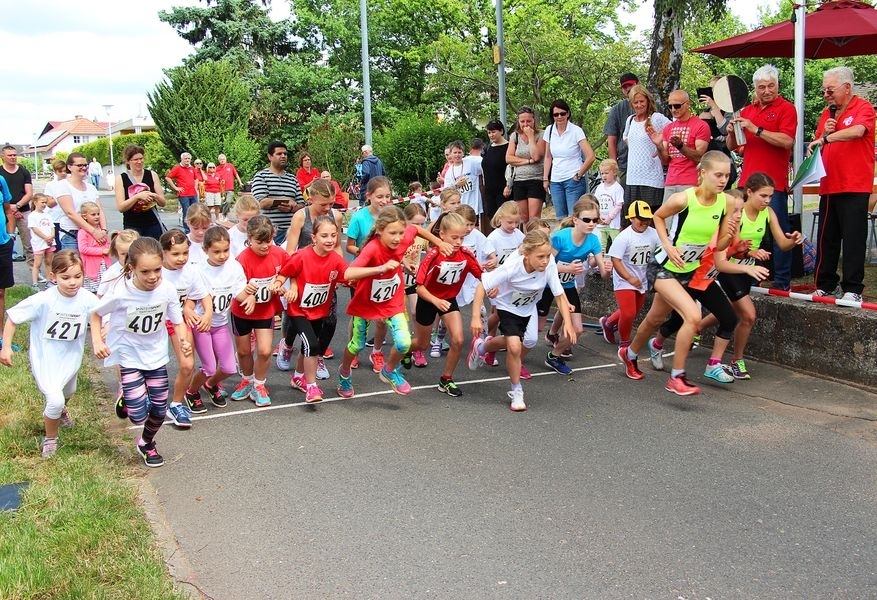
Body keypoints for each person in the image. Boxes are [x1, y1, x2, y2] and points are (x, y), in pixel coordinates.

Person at [617, 151, 740, 396]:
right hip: (664, 267)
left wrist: (731, 233)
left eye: (726, 175)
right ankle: (677, 377)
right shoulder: (684, 199)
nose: (723, 180)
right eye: (718, 174)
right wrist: (668, 245)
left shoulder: (726, 202)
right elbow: (659, 217)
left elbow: (722, 245)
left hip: (690, 269)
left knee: (654, 319)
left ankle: (629, 354)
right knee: (692, 317)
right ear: (703, 173)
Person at [91, 237, 191, 468]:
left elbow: (177, 322)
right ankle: (128, 399)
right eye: (145, 271)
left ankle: (146, 443)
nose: (153, 276)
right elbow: (95, 314)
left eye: (157, 269)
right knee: (137, 415)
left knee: (158, 409)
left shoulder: (166, 289)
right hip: (129, 355)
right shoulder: (121, 292)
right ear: (131, 268)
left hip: (155, 356)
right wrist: (97, 340)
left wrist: (184, 341)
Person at [336, 206, 451, 398]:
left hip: (392, 300)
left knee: (404, 343)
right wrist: (379, 269)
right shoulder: (372, 248)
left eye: (400, 232)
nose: (398, 238)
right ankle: (344, 373)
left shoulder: (404, 236)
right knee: (357, 345)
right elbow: (348, 273)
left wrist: (439, 242)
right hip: (366, 302)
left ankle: (389, 370)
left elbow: (417, 230)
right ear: (380, 230)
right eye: (392, 233)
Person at [698, 173, 803, 379]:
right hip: (731, 269)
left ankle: (697, 327)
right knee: (748, 315)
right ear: (749, 192)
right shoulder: (738, 213)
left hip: (748, 271)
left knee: (731, 310)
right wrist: (750, 253)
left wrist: (794, 240)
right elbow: (734, 246)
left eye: (770, 197)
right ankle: (736, 361)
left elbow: (782, 243)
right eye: (763, 196)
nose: (767, 201)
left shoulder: (769, 213)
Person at [0, 251, 98, 458]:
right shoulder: (43, 300)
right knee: (54, 399)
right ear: (53, 276)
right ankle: (51, 437)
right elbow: (13, 318)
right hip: (46, 359)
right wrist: (6, 346)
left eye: (77, 276)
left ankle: (60, 412)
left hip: (71, 357)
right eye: (66, 278)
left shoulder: (88, 299)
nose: (73, 283)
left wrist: (103, 332)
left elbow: (101, 316)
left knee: (69, 390)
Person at [468, 229, 576, 411]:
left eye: (548, 255)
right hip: (508, 307)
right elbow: (481, 286)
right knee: (515, 346)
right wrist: (475, 318)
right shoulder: (513, 266)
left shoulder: (549, 266)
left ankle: (481, 347)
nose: (545, 260)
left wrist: (569, 324)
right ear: (526, 254)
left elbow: (559, 295)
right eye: (540, 256)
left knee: (529, 341)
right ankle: (516, 391)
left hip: (529, 307)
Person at [806, 66, 875, 303]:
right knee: (827, 238)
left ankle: (853, 287)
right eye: (824, 90)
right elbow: (817, 143)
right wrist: (820, 139)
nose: (826, 95)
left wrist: (828, 137)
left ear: (846, 87)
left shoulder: (863, 107)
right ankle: (825, 284)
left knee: (854, 237)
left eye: (830, 90)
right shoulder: (827, 114)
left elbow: (858, 131)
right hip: (829, 184)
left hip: (854, 185)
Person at [727, 65, 797, 291]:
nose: (766, 91)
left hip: (773, 182)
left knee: (778, 232)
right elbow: (734, 146)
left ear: (777, 85)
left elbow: (787, 141)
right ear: (755, 89)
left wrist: (756, 129)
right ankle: (747, 274)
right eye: (761, 87)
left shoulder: (787, 108)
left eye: (771, 86)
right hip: (746, 181)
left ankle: (782, 281)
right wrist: (730, 132)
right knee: (741, 230)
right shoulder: (746, 110)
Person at [405, 211, 483, 397]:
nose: (458, 242)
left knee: (458, 339)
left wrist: (492, 282)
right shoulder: (433, 256)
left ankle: (446, 379)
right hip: (428, 299)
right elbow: (419, 288)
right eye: (454, 237)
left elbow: (482, 276)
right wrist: (435, 300)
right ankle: (405, 350)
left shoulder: (465, 255)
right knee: (422, 344)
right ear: (442, 235)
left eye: (462, 238)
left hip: (448, 299)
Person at [272, 215, 348, 402]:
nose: (330, 240)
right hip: (298, 311)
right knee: (312, 345)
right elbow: (284, 273)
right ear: (314, 237)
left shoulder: (336, 260)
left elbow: (347, 276)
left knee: (309, 345)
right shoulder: (301, 256)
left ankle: (298, 376)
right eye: (324, 236)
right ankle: (311, 387)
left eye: (333, 235)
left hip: (319, 311)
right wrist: (278, 283)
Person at [281, 178, 344, 377]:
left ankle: (317, 357)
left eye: (331, 203)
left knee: (330, 320)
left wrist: (340, 273)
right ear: (311, 199)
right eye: (323, 204)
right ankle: (288, 345)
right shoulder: (301, 216)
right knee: (296, 320)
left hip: (326, 275)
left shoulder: (336, 216)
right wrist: (293, 285)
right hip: (302, 273)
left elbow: (337, 246)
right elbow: (290, 252)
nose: (327, 208)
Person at [542, 196, 610, 374]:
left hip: (568, 286)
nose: (591, 224)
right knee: (534, 330)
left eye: (595, 220)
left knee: (578, 329)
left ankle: (554, 356)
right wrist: (568, 268)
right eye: (587, 220)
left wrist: (608, 269)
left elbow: (602, 273)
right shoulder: (561, 237)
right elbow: (545, 265)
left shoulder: (594, 240)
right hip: (548, 285)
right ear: (575, 220)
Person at [229, 216, 288, 407]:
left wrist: (281, 284)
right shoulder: (242, 259)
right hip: (242, 312)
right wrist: (248, 295)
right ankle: (247, 379)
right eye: (259, 242)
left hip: (265, 311)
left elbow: (289, 270)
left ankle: (259, 384)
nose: (265, 246)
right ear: (249, 239)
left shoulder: (279, 253)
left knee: (264, 351)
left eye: (268, 241)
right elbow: (235, 287)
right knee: (244, 351)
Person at [186, 226, 246, 409]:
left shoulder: (234, 267)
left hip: (220, 324)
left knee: (229, 368)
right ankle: (191, 391)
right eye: (216, 252)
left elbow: (239, 293)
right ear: (205, 250)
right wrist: (192, 313)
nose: (222, 255)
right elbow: (189, 303)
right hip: (202, 325)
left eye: (226, 250)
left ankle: (210, 384)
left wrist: (249, 297)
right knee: (209, 367)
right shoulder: (197, 271)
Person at [159, 228, 212, 426]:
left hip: (177, 321)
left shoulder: (190, 271)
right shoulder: (156, 271)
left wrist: (207, 313)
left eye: (185, 253)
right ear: (163, 252)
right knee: (150, 364)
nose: (182, 258)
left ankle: (176, 404)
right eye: (175, 254)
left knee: (188, 364)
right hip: (155, 321)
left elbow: (204, 294)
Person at [345, 176, 397, 370]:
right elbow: (349, 246)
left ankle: (376, 352)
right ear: (369, 196)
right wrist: (364, 253)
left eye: (387, 196)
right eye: (379, 196)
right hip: (363, 273)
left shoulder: (393, 216)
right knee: (360, 316)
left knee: (382, 317)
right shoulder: (359, 217)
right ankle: (354, 349)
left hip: (385, 276)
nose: (384, 201)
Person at [600, 201, 661, 348]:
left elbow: (661, 250)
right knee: (629, 313)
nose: (645, 222)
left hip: (642, 278)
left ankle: (608, 323)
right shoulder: (624, 237)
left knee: (633, 310)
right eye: (641, 219)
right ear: (632, 218)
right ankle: (625, 343)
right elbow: (616, 259)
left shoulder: (654, 233)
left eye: (647, 219)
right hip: (624, 279)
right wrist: (628, 278)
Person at [650, 90, 710, 204]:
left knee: (687, 221)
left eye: (677, 106)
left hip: (691, 181)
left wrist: (680, 146)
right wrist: (658, 146)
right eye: (670, 106)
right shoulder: (668, 128)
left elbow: (700, 157)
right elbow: (666, 160)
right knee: (666, 220)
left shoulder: (701, 125)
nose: (673, 109)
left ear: (687, 104)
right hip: (671, 181)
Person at [622, 85, 671, 216]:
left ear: (648, 101)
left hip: (651, 178)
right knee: (633, 217)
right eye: (635, 102)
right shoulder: (630, 120)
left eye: (641, 101)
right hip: (633, 177)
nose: (639, 105)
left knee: (650, 217)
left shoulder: (657, 118)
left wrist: (661, 146)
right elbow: (625, 137)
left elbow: (672, 130)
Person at [543, 99, 596, 219]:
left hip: (573, 180)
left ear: (568, 113)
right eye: (556, 114)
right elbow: (548, 156)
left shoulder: (576, 130)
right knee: (561, 219)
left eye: (562, 113)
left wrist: (578, 175)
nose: (559, 117)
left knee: (575, 218)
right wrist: (545, 178)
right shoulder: (549, 130)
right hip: (556, 181)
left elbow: (591, 156)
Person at [250, 141, 304, 245]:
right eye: (279, 154)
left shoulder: (292, 178)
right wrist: (283, 201)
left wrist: (292, 208)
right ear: (270, 156)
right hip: (269, 231)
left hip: (292, 230)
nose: (283, 156)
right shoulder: (261, 176)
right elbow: (261, 203)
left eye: (285, 154)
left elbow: (302, 205)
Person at [57, 153, 106, 252]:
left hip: (93, 234)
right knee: (74, 266)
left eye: (85, 165)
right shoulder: (63, 186)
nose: (83, 168)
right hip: (72, 235)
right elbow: (70, 213)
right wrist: (93, 231)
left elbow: (99, 210)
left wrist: (103, 230)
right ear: (69, 167)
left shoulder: (91, 188)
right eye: (79, 165)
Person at [116, 144, 166, 239]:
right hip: (132, 225)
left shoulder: (152, 175)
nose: (139, 162)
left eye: (141, 158)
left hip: (152, 223)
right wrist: (137, 197)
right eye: (135, 160)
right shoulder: (121, 179)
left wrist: (153, 196)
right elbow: (121, 207)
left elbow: (163, 203)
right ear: (128, 161)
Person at [506, 106, 546, 224]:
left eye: (528, 121)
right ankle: (525, 240)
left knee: (534, 218)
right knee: (523, 218)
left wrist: (530, 137)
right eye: (522, 121)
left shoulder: (542, 134)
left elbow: (536, 156)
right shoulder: (515, 136)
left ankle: (534, 240)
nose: (525, 124)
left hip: (536, 179)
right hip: (519, 180)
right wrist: (527, 161)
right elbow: (508, 158)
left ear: (534, 120)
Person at [604, 73, 639, 186]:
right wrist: (614, 168)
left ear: (638, 84)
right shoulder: (617, 110)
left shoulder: (650, 106)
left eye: (630, 85)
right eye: (624, 87)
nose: (628, 89)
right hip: (624, 164)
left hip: (646, 165)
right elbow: (611, 140)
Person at [2, 145, 34, 265]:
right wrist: (10, 209)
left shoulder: (24, 172)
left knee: (29, 243)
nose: (13, 157)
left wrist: (17, 206)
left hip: (24, 211)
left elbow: (29, 193)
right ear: (3, 156)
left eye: (15, 155)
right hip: (5, 212)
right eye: (10, 155)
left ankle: (34, 272)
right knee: (6, 243)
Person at [481, 119, 512, 234]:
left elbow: (511, 168)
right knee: (492, 217)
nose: (491, 135)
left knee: (504, 217)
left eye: (493, 132)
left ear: (501, 131)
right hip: (489, 190)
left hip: (503, 190)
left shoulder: (509, 147)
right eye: (489, 132)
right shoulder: (488, 148)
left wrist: (508, 185)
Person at [442, 140, 483, 219]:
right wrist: (457, 185)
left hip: (473, 205)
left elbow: (485, 166)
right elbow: (446, 191)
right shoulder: (449, 172)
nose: (457, 155)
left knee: (473, 227)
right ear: (450, 154)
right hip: (459, 207)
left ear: (463, 153)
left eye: (459, 152)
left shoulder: (471, 162)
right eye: (455, 152)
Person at [76, 201, 110, 293]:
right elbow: (83, 249)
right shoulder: (82, 232)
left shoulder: (102, 231)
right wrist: (102, 251)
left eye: (98, 214)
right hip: (92, 267)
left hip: (104, 266)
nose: (97, 216)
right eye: (93, 214)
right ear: (84, 216)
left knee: (106, 290)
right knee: (93, 292)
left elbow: (108, 245)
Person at [594, 159, 625, 250]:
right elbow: (595, 203)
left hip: (613, 224)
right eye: (602, 173)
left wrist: (609, 218)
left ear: (614, 172)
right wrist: (598, 217)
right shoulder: (599, 188)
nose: (604, 176)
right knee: (600, 245)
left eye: (606, 173)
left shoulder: (617, 188)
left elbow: (618, 205)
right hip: (601, 223)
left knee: (616, 244)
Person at [28, 194, 55, 289]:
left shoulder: (47, 215)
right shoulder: (32, 216)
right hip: (39, 242)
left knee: (49, 262)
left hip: (50, 242)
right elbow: (35, 229)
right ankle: (35, 283)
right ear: (35, 203)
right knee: (37, 263)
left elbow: (52, 227)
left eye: (45, 202)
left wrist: (51, 236)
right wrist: (45, 238)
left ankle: (49, 280)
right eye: (42, 202)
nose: (44, 204)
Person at [166, 153, 198, 234]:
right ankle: (187, 231)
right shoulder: (177, 168)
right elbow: (168, 177)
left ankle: (194, 228)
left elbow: (196, 178)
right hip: (183, 194)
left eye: (188, 159)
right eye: (185, 159)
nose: (187, 160)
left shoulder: (192, 168)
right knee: (186, 211)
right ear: (182, 159)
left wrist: (196, 187)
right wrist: (176, 188)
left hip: (193, 193)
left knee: (195, 211)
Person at [44, 159, 69, 249]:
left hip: (68, 218)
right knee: (57, 246)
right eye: (60, 171)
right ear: (55, 171)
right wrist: (61, 195)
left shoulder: (70, 182)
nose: (63, 173)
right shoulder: (50, 185)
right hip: (55, 218)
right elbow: (49, 203)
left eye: (65, 171)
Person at [0, 174, 13, 352]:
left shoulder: (1, 180)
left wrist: (10, 235)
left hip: (2, 243)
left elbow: (8, 209)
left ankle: (1, 337)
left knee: (0, 292)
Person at [225, 193, 260, 258]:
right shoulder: (230, 236)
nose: (249, 223)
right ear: (237, 216)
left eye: (253, 219)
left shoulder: (263, 232)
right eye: (245, 220)